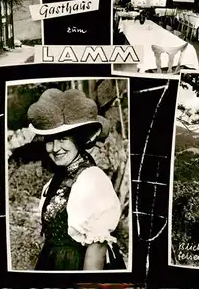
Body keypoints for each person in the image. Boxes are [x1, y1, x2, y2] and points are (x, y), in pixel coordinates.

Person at [26, 87, 126, 271]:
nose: (55, 148)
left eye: (63, 139)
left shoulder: (92, 179)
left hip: (76, 267)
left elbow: (97, 247)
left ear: (77, 140)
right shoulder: (55, 182)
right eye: (50, 140)